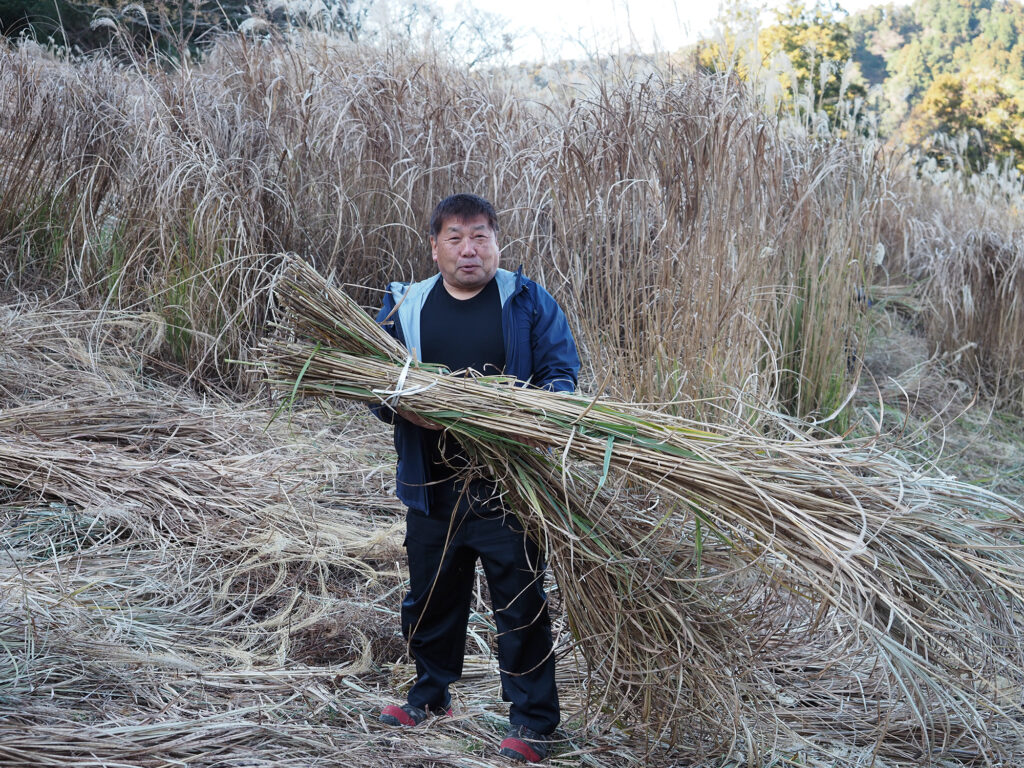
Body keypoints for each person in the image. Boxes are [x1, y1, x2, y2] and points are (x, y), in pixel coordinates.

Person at [371, 194, 579, 763]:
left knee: (521, 603)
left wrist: (526, 409)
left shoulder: (526, 300)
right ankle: (430, 696)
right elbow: (374, 386)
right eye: (456, 237)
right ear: (434, 246)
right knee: (431, 598)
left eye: (481, 236)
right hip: (430, 484)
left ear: (497, 241)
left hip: (508, 488)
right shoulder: (404, 306)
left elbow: (563, 374)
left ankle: (533, 723)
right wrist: (399, 406)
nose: (470, 249)